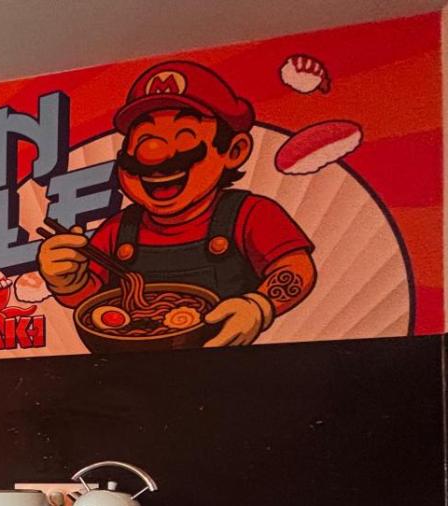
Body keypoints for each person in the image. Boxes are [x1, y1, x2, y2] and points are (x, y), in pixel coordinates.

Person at [38, 61, 317, 346]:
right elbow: (92, 300)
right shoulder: (120, 228)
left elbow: (295, 267)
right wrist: (67, 279)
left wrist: (259, 305)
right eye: (145, 138)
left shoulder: (250, 213)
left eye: (184, 135)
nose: (154, 154)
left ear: (234, 150)